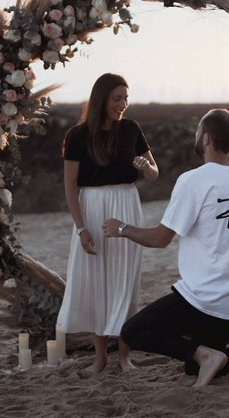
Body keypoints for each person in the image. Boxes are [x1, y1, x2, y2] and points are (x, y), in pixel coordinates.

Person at [102, 109, 229, 387]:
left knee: (133, 331)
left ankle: (206, 355)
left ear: (206, 138)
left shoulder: (194, 180)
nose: (196, 136)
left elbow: (160, 239)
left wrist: (122, 228)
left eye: (198, 131)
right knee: (194, 367)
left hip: (203, 296)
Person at [56, 73, 159, 374]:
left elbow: (154, 172)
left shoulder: (131, 129)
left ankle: (124, 356)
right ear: (102, 99)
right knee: (96, 283)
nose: (123, 104)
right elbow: (70, 188)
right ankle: (101, 358)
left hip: (127, 206)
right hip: (92, 208)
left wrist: (145, 166)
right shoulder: (77, 136)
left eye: (126, 98)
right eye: (117, 98)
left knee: (124, 282)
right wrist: (81, 228)